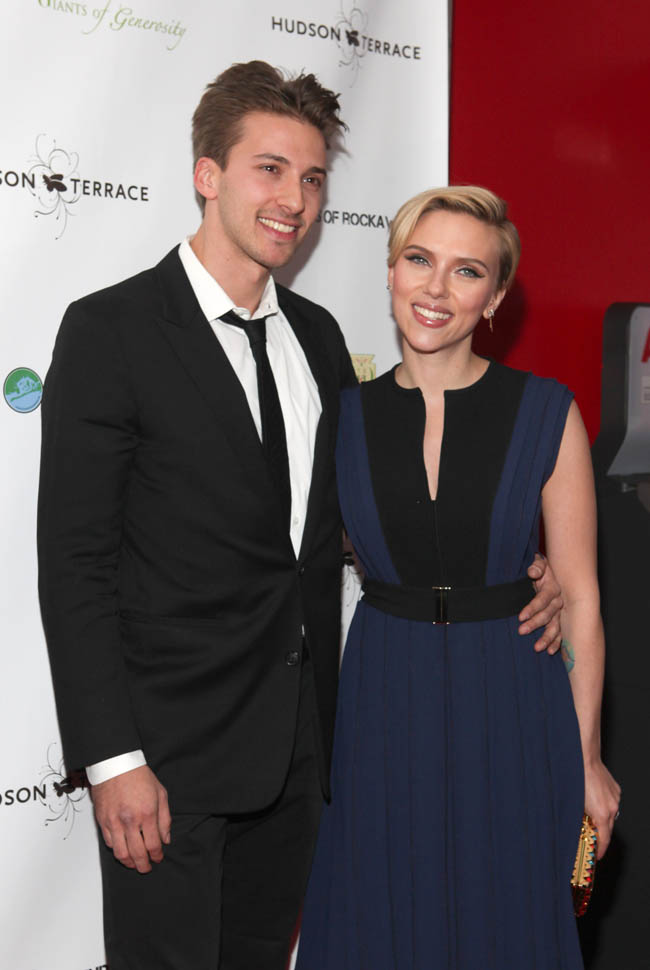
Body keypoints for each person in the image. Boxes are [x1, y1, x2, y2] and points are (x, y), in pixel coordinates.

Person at [37, 60, 564, 970]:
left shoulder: (319, 339)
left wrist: (517, 570)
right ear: (208, 174)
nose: (295, 200)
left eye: (313, 178)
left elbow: (343, 524)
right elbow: (74, 563)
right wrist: (113, 760)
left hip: (303, 754)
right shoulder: (110, 329)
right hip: (167, 760)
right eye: (270, 169)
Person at [296, 186, 621, 970]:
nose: (436, 289)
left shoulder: (546, 412)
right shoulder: (343, 417)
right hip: (382, 695)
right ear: (391, 270)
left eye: (467, 271)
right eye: (419, 260)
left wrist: (585, 757)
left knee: (506, 917)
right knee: (380, 916)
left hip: (513, 693)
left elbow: (579, 595)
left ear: (495, 297)